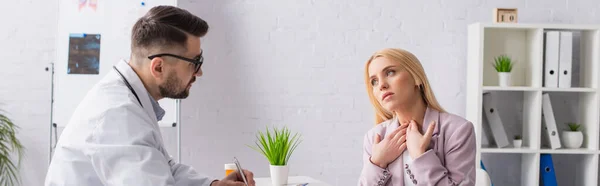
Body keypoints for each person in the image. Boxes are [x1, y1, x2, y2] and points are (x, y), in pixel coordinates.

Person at [45, 6, 255, 186]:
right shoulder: (117, 116)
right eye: (194, 62)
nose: (199, 72)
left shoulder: (130, 98)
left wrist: (213, 185)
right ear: (159, 67)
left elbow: (163, 167)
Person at [358, 48, 476, 186]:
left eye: (390, 72)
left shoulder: (458, 130)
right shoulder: (374, 138)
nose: (381, 85)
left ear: (416, 77)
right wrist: (377, 162)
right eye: (374, 81)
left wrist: (420, 156)